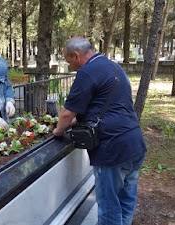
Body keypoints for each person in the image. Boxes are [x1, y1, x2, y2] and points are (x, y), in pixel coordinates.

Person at [53, 37, 147, 225]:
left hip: (111, 148)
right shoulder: (113, 67)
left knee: (108, 205)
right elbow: (107, 103)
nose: (70, 65)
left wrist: (57, 132)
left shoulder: (87, 72)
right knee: (126, 198)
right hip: (135, 143)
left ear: (77, 55)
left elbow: (66, 114)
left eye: (69, 60)